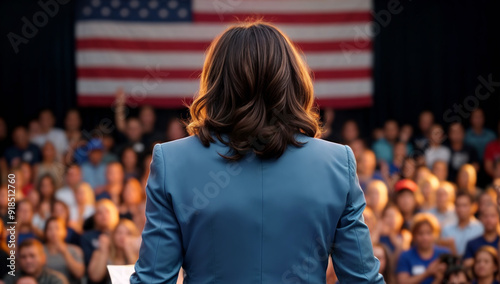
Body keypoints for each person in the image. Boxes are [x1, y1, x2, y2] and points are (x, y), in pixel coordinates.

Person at [130, 21, 384, 283]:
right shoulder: (337, 162)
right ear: (292, 80)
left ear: (215, 82)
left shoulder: (172, 161)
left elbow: (154, 280)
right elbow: (362, 279)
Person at [396, 213, 450, 284]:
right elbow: (403, 282)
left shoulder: (445, 254)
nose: (425, 237)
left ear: (435, 234)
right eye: (420, 233)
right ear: (414, 235)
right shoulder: (405, 256)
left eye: (429, 233)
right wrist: (427, 273)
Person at [1, 239, 69, 284]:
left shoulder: (56, 279)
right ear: (18, 260)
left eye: (32, 256)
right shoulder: (11, 278)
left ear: (43, 258)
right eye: (23, 257)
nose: (28, 260)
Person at [440, 191, 484, 256]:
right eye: (458, 205)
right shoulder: (447, 229)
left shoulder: (480, 228)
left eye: (464, 205)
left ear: (473, 207)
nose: (461, 209)